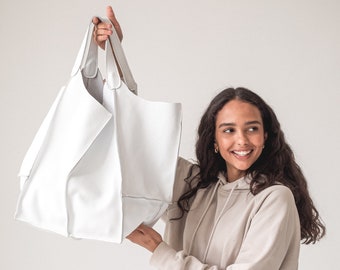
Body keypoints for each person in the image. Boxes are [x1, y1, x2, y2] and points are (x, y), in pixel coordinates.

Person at [93, 6, 326, 269]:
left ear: (267, 136)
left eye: (252, 128)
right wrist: (116, 59)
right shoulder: (192, 185)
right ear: (214, 140)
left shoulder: (274, 198)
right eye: (229, 130)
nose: (242, 140)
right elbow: (135, 141)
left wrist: (159, 250)